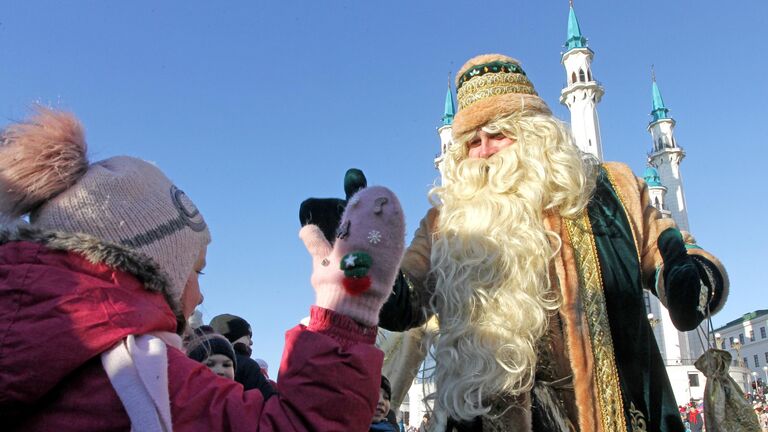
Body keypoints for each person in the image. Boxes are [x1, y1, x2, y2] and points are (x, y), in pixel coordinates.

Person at [375, 54, 728, 431]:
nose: (485, 151)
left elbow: (670, 251)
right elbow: (407, 298)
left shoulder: (610, 191)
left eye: (498, 134)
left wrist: (691, 281)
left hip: (613, 414)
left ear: (533, 133)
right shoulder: (447, 223)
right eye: (472, 142)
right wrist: (364, 262)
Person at [0, 107, 406, 431]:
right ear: (152, 270)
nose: (200, 295)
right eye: (197, 271)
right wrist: (346, 312)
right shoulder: (139, 375)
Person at [209, 313, 275, 397]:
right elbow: (268, 399)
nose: (251, 342)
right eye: (248, 337)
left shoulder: (199, 361)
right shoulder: (247, 365)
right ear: (232, 337)